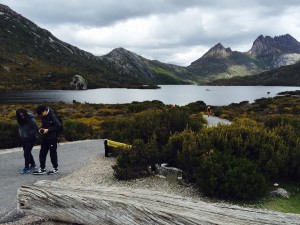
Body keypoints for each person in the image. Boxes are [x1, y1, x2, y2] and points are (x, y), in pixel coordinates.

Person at [33, 105, 62, 175]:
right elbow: (44, 125)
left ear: (45, 111)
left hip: (53, 138)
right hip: (45, 137)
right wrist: (41, 129)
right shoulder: (44, 115)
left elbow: (58, 126)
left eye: (41, 114)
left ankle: (55, 168)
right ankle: (42, 168)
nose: (41, 115)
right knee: (42, 152)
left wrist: (48, 130)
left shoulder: (52, 115)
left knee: (52, 153)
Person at [16, 108, 39, 174]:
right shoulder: (19, 120)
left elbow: (36, 129)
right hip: (24, 138)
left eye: (23, 115)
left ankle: (26, 168)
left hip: (31, 138)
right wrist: (21, 135)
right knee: (28, 152)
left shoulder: (31, 120)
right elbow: (20, 129)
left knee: (26, 153)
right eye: (20, 115)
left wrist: (29, 133)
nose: (22, 116)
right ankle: (33, 164)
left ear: (25, 113)